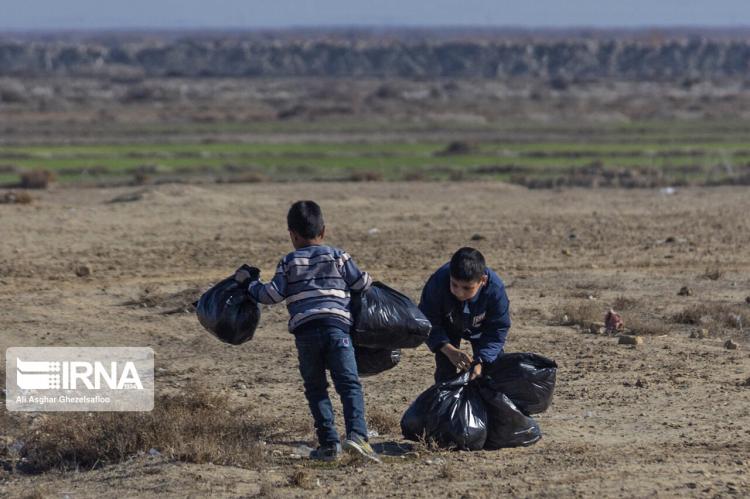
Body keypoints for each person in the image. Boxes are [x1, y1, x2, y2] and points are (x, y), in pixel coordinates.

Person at [234, 200, 379, 463]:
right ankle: (358, 436)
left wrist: (250, 285)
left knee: (315, 388)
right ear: (323, 230)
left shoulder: (289, 261)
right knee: (349, 384)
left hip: (306, 334)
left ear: (292, 235)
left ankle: (328, 444)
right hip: (339, 331)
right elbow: (361, 283)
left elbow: (271, 295)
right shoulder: (338, 256)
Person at [419, 247, 511, 383]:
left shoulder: (495, 290)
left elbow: (497, 329)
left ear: (483, 281)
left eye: (467, 288)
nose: (459, 292)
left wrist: (481, 361)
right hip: (448, 325)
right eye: (454, 284)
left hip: (482, 329)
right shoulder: (438, 282)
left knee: (491, 374)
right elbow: (427, 320)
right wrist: (449, 350)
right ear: (450, 275)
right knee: (445, 373)